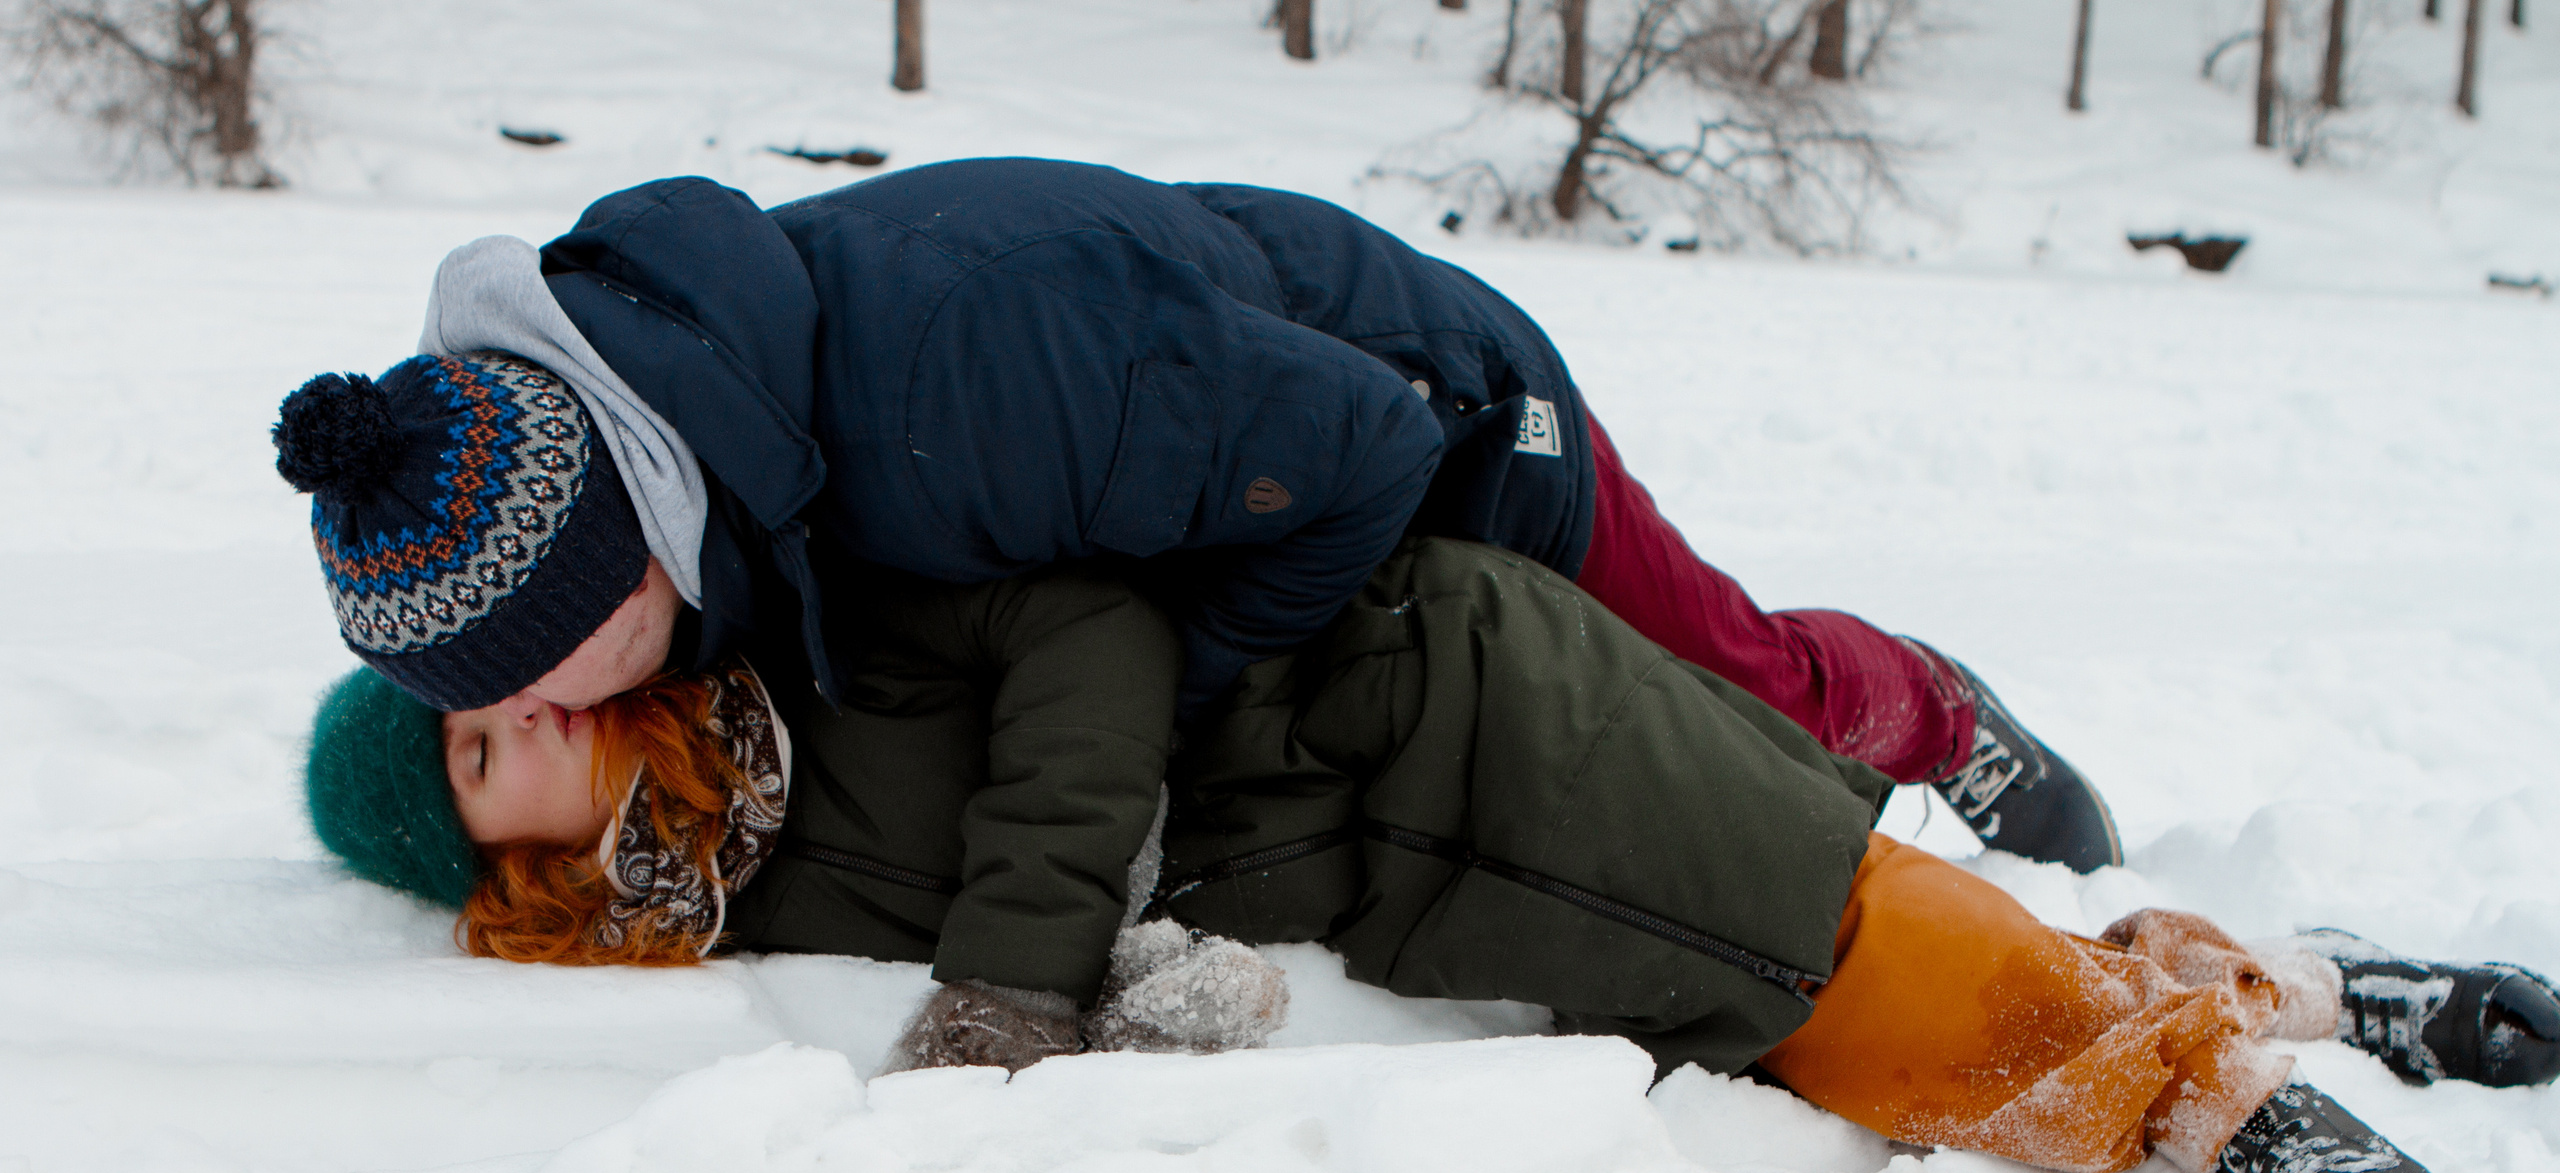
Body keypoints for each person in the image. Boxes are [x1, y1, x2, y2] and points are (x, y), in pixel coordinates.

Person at [303, 534, 2559, 1173]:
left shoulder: (792, 642)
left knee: (1827, 946)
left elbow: (1085, 635)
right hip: (1406, 852)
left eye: (498, 686)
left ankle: (2219, 1110)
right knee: (1801, 967)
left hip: (1433, 703)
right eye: (482, 753)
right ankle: (2326, 985)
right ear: (492, 858)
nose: (524, 717)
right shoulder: (709, 903)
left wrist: (1029, 960)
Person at [273, 158, 2118, 872]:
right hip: (1219, 433)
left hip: (1445, 413)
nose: (546, 715)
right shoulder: (696, 432)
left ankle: (1929, 708)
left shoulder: (956, 392)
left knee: (1737, 702)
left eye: (524, 678)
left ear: (612, 558)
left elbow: (1368, 449)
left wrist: (1177, 693)